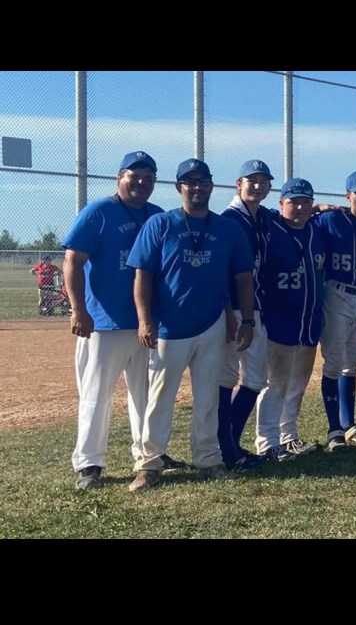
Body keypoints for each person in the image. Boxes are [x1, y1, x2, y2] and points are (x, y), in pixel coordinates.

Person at [125, 158, 256, 492]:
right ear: (179, 187)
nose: (197, 188)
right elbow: (143, 276)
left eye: (203, 182)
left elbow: (242, 277)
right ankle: (150, 463)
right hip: (169, 325)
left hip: (212, 324)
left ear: (212, 186)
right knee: (160, 398)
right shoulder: (161, 224)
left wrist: (247, 319)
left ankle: (208, 458)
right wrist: (144, 320)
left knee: (208, 397)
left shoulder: (228, 228)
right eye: (190, 182)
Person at [61, 151, 187, 490]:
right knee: (96, 395)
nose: (142, 182)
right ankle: (89, 463)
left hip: (148, 324)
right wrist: (78, 310)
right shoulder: (98, 212)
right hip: (104, 322)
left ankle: (148, 455)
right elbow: (72, 262)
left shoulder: (157, 216)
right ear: (120, 177)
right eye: (135, 175)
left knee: (147, 396)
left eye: (148, 176)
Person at [254, 178, 327, 462]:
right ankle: (267, 441)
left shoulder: (317, 231)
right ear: (281, 204)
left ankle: (288, 436)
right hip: (278, 321)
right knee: (275, 383)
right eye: (292, 201)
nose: (299, 207)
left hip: (308, 321)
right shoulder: (271, 228)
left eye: (305, 202)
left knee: (298, 382)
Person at [216, 159, 274, 470]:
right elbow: (224, 272)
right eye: (250, 180)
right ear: (238, 184)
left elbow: (292, 213)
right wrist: (230, 314)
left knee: (254, 379)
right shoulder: (229, 219)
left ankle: (230, 443)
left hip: (255, 308)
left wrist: (321, 207)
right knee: (226, 378)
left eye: (262, 181)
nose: (256, 185)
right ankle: (225, 449)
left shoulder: (262, 216)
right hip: (235, 310)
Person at [318, 170, 356, 450]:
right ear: (348, 196)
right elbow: (291, 216)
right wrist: (318, 206)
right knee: (333, 361)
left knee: (352, 361)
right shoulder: (331, 219)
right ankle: (334, 430)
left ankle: (349, 424)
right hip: (337, 293)